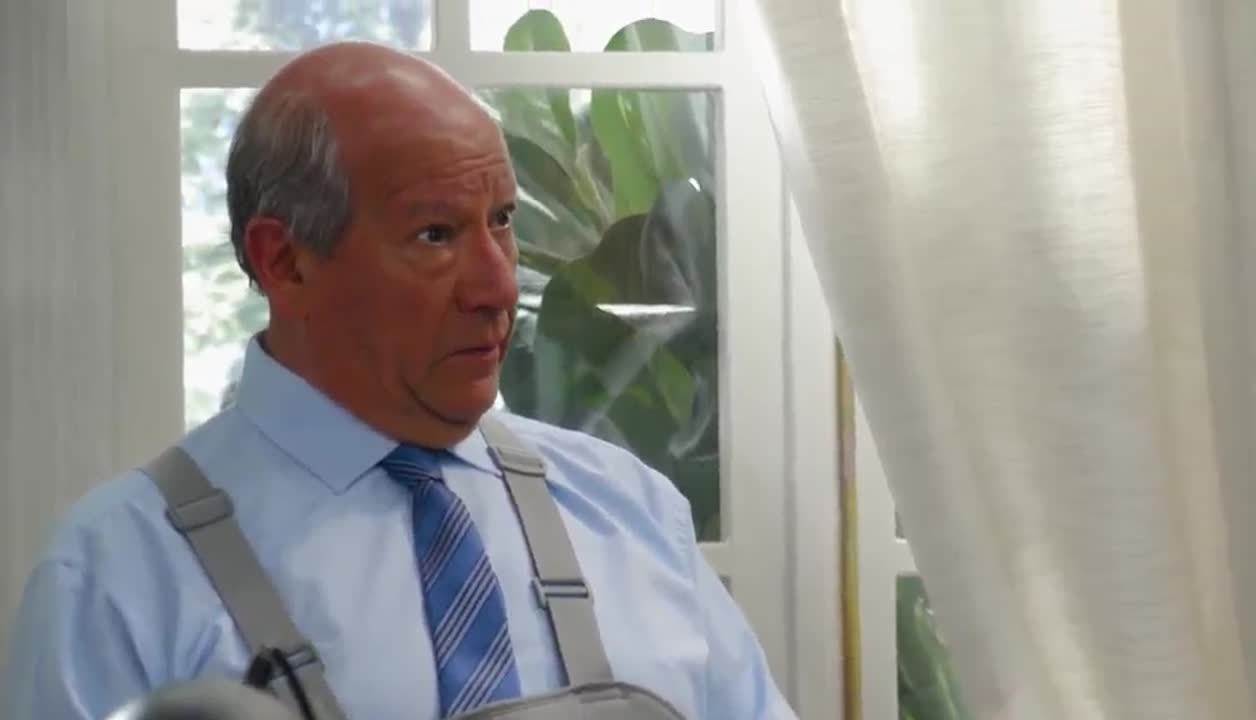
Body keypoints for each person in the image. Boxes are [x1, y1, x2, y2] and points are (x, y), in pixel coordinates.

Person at [1, 42, 795, 720]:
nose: (498, 286)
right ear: (285, 260)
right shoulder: (116, 575)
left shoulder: (630, 511)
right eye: (436, 234)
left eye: (503, 221)